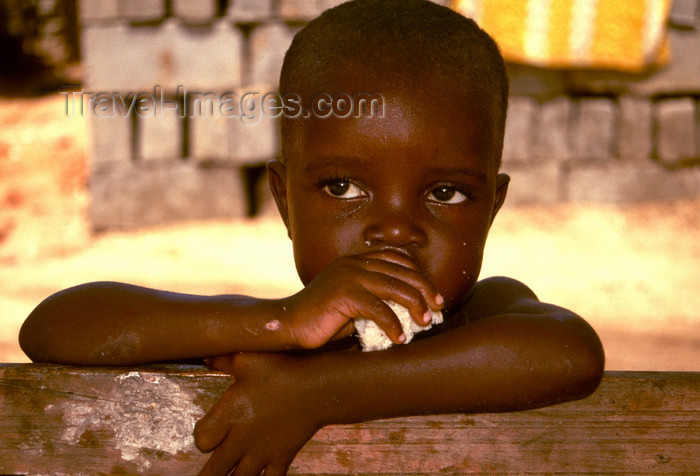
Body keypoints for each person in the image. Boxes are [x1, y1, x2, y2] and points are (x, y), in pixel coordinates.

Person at [19, 0, 605, 474]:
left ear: (491, 208)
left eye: (446, 194)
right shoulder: (269, 337)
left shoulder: (484, 317)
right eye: (344, 188)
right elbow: (52, 326)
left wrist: (317, 391)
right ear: (284, 202)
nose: (396, 229)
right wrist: (281, 322)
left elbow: (568, 351)